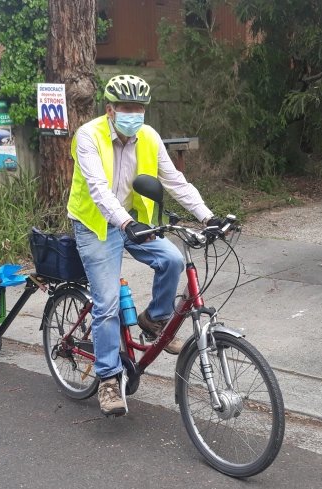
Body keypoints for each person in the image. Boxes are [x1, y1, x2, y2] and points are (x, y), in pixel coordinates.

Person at [67, 74, 221, 416]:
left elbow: (175, 181)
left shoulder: (149, 137)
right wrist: (125, 222)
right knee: (107, 304)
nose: (133, 114)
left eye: (138, 108)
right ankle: (108, 378)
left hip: (132, 222)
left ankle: (154, 320)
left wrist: (208, 216)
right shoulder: (89, 136)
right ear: (110, 110)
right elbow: (98, 189)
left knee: (172, 260)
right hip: (96, 225)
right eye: (126, 108)